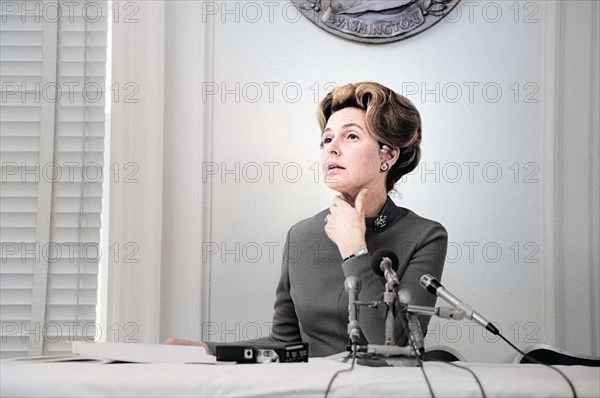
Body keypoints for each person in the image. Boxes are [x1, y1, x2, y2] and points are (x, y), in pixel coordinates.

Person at [165, 82, 448, 357]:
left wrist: (354, 248)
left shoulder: (425, 236)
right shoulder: (301, 235)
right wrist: (209, 351)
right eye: (327, 138)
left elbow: (400, 344)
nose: (331, 148)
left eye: (350, 136)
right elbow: (284, 343)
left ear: (388, 155)